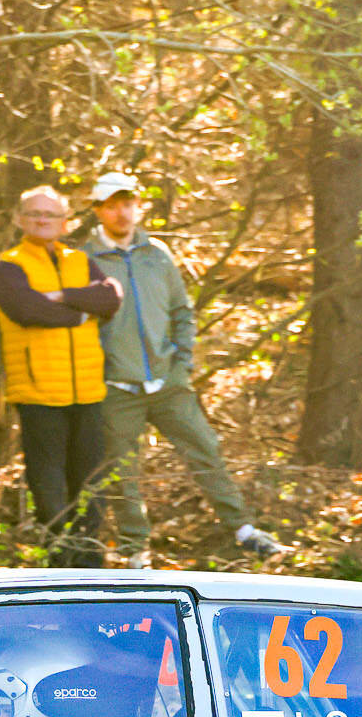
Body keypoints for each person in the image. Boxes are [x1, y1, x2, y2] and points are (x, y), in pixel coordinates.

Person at [78, 172, 286, 567]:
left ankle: (243, 529)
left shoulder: (157, 254)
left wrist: (183, 361)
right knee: (122, 469)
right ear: (98, 210)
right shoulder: (84, 260)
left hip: (168, 382)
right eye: (112, 205)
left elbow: (181, 311)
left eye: (128, 204)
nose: (122, 213)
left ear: (138, 207)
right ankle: (135, 548)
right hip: (117, 387)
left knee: (205, 448)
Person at [0, 186, 123, 566]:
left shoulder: (80, 260)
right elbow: (28, 310)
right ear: (19, 219)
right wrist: (81, 309)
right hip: (38, 393)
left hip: (88, 391)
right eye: (35, 213)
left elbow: (109, 299)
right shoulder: (9, 266)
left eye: (51, 214)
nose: (43, 220)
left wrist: (60, 296)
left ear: (65, 222)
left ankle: (89, 565)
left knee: (91, 484)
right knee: (49, 486)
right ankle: (60, 563)